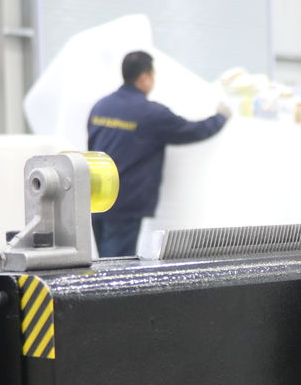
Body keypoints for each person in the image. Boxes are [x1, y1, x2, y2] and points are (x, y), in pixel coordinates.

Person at [87, 51, 231, 257]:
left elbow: (92, 147)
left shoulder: (101, 106)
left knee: (104, 260)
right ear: (144, 77)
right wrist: (221, 118)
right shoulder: (151, 114)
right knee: (116, 265)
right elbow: (191, 131)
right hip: (125, 202)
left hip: (97, 198)